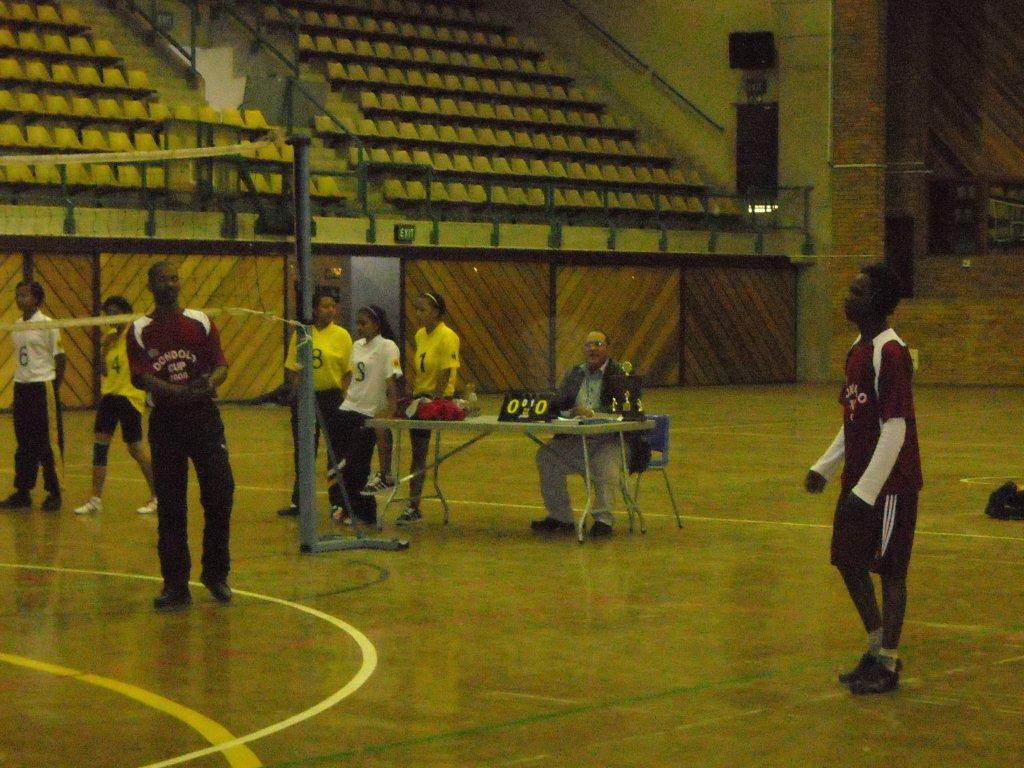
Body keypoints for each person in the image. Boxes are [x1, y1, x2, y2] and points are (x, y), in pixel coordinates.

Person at [805, 263, 922, 695]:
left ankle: (888, 664)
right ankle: (875, 647)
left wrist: (868, 491)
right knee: (847, 560)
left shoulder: (890, 353)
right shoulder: (857, 349)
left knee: (890, 572)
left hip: (890, 486)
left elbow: (895, 427)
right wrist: (825, 466)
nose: (847, 297)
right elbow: (853, 419)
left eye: (856, 292)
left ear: (875, 301)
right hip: (858, 482)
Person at [126, 261, 234, 612]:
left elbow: (220, 365)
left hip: (203, 418)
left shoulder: (199, 321)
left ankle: (215, 573)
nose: (169, 284)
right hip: (167, 422)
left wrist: (205, 385)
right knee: (171, 505)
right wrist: (174, 392)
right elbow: (141, 377)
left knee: (220, 493)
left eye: (174, 278)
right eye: (162, 279)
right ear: (150, 285)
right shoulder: (140, 329)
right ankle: (175, 584)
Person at [532, 330, 625, 538]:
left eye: (598, 344)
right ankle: (561, 517)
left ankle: (603, 520)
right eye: (589, 345)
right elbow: (558, 403)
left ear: (607, 348)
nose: (593, 348)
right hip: (578, 437)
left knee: (604, 464)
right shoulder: (575, 373)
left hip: (611, 439)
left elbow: (626, 410)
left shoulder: (619, 374)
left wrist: (593, 414)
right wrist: (570, 412)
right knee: (546, 456)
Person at [74, 296, 158, 516]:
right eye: (107, 312)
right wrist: (103, 351)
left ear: (124, 312)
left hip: (129, 396)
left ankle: (157, 496)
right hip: (110, 395)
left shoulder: (135, 333)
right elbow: (104, 371)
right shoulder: (109, 337)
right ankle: (95, 500)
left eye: (114, 311)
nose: (111, 316)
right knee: (100, 447)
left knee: (135, 447)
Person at [277, 289, 352, 518]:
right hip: (306, 399)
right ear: (314, 309)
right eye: (325, 306)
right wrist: (297, 393)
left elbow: (347, 372)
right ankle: (300, 501)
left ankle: (337, 501)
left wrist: (347, 399)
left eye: (333, 306)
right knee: (304, 450)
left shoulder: (342, 336)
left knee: (335, 451)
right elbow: (292, 368)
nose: (331, 310)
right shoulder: (302, 334)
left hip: (331, 398)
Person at [327, 305, 402, 525]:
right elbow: (351, 377)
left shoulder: (388, 347)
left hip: (367, 412)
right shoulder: (356, 346)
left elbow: (391, 381)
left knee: (358, 465)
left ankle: (364, 513)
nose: (359, 327)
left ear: (377, 325)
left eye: (364, 323)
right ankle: (345, 506)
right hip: (348, 408)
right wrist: (345, 397)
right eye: (357, 323)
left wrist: (391, 408)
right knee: (340, 463)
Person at [395, 291, 460, 526]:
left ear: (437, 312)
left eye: (424, 309)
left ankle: (414, 505)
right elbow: (420, 369)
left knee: (420, 453)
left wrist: (436, 400)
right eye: (417, 309)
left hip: (437, 400)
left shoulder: (448, 336)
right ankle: (413, 502)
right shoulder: (421, 334)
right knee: (416, 452)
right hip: (420, 397)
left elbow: (446, 370)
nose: (419, 314)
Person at [0, 280, 65, 511]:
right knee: (24, 441)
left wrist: (53, 387)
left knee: (47, 441)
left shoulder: (48, 324)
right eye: (18, 295)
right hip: (22, 387)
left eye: (25, 295)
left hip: (42, 386)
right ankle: (23, 491)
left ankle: (55, 491)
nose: (20, 299)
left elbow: (60, 357)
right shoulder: (17, 325)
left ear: (37, 299)